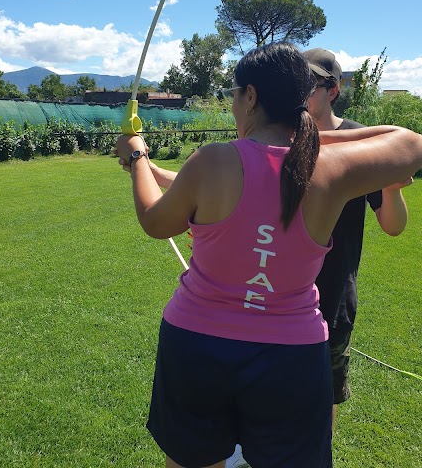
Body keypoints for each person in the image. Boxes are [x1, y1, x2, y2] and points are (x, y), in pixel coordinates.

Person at [115, 42, 422, 468]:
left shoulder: (213, 161)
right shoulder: (330, 168)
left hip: (198, 346)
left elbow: (154, 220)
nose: (234, 107)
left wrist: (137, 155)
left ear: (252, 96)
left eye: (235, 96)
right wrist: (309, 138)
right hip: (292, 356)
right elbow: (408, 142)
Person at [302, 48, 411, 430]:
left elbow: (393, 225)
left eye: (309, 84)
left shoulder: (358, 140)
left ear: (332, 91)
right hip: (279, 287)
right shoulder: (284, 136)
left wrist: (393, 188)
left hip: (333, 292)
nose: (300, 92)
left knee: (325, 389)